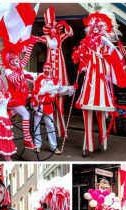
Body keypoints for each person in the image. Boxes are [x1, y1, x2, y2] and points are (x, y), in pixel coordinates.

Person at [72, 11, 126, 155]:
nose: (96, 28)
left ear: (104, 27)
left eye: (99, 26)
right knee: (87, 111)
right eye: (94, 26)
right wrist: (81, 62)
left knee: (100, 114)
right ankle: (88, 145)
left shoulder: (106, 45)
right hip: (89, 82)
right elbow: (80, 61)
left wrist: (108, 44)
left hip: (101, 81)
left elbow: (118, 58)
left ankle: (102, 142)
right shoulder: (86, 44)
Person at [36, 6, 74, 138]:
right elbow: (35, 39)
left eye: (54, 28)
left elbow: (70, 33)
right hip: (49, 68)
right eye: (50, 28)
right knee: (48, 100)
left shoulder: (60, 37)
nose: (52, 30)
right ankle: (51, 131)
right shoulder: (46, 38)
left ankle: (60, 130)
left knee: (60, 102)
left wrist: (66, 25)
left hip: (60, 69)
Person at [2, 40, 37, 150]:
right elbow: (14, 79)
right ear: (10, 61)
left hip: (21, 98)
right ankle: (27, 140)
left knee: (10, 116)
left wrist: (31, 44)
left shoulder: (20, 68)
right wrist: (24, 75)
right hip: (14, 98)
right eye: (15, 59)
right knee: (26, 114)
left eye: (18, 59)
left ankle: (3, 130)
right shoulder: (8, 70)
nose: (18, 60)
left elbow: (26, 57)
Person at [31, 63, 62, 154]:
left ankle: (53, 147)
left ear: (51, 69)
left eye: (48, 68)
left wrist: (44, 95)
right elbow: (35, 92)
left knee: (51, 126)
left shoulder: (55, 81)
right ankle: (37, 145)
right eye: (45, 68)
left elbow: (53, 95)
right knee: (36, 125)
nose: (46, 69)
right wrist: (37, 100)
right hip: (38, 105)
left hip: (48, 107)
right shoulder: (39, 78)